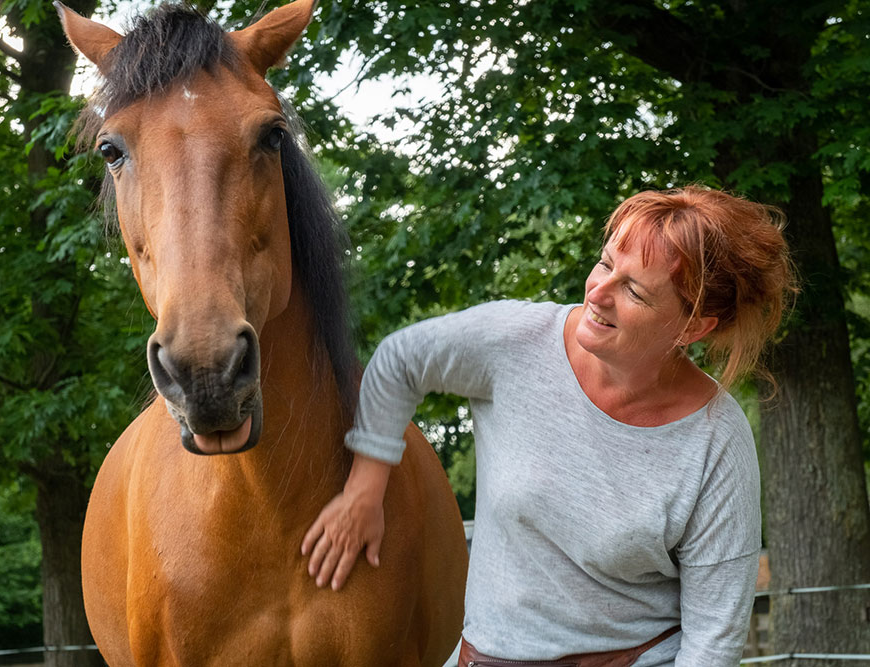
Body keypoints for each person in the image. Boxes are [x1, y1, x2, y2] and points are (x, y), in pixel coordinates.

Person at [301, 186, 796, 666]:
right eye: (605, 264)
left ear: (692, 328)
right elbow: (399, 361)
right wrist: (365, 487)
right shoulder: (515, 342)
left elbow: (714, 639)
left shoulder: (717, 438)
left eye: (634, 291)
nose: (598, 292)